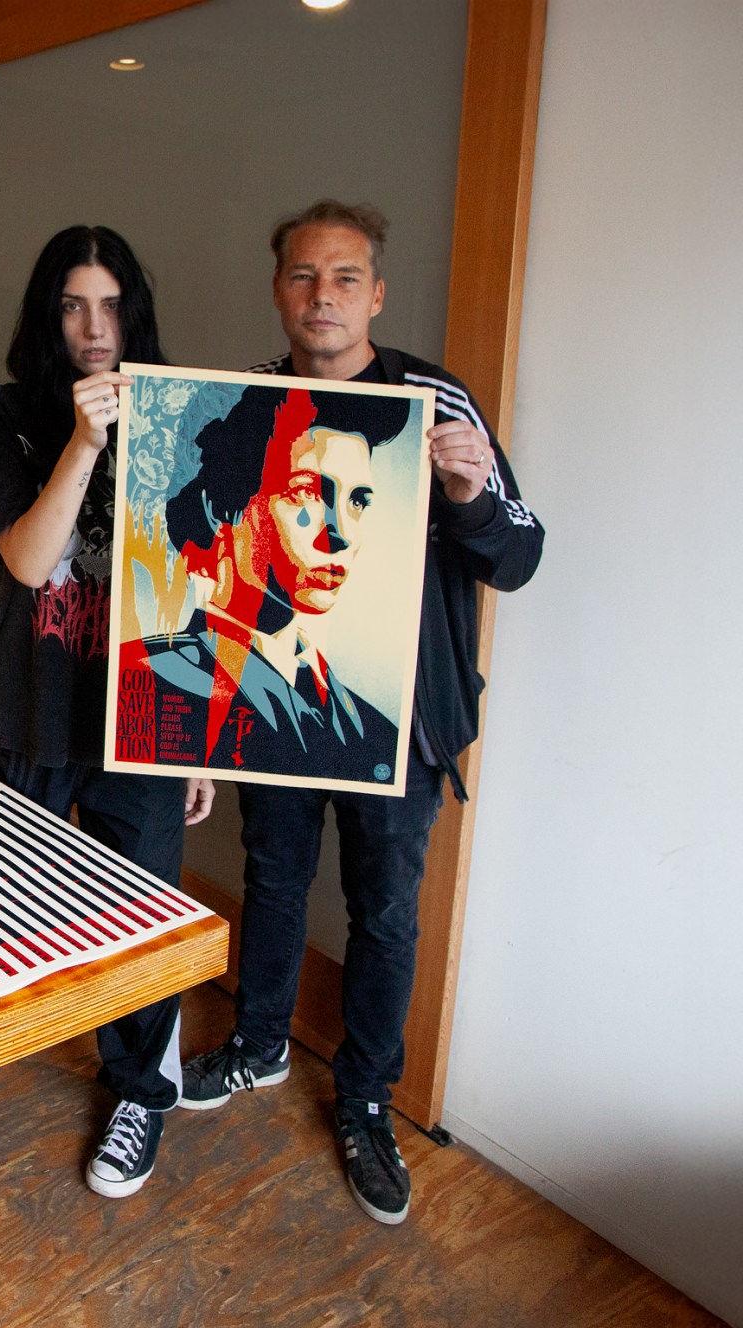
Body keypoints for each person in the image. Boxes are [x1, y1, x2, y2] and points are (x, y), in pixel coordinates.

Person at [179, 200, 543, 1225]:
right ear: (278, 290)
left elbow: (518, 553)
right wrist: (203, 712)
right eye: (302, 275)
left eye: (343, 277)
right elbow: (211, 573)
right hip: (281, 700)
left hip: (402, 719)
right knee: (274, 876)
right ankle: (256, 1044)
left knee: (385, 908)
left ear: (376, 293)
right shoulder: (247, 403)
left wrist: (468, 497)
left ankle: (367, 1100)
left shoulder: (436, 401)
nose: (321, 296)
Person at [0, 225, 215, 1198]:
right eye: (73, 305)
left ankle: (139, 1087)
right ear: (48, 316)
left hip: (142, 708)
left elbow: (192, 581)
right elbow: (26, 560)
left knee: (141, 910)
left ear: (134, 308)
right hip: (30, 694)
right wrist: (87, 441)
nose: (95, 327)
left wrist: (198, 736)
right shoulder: (1, 413)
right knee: (2, 896)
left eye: (110, 303)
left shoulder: (178, 416)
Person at [151, 381, 413, 782]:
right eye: (306, 492)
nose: (341, 533)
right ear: (222, 508)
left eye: (357, 502)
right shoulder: (152, 684)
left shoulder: (375, 735)